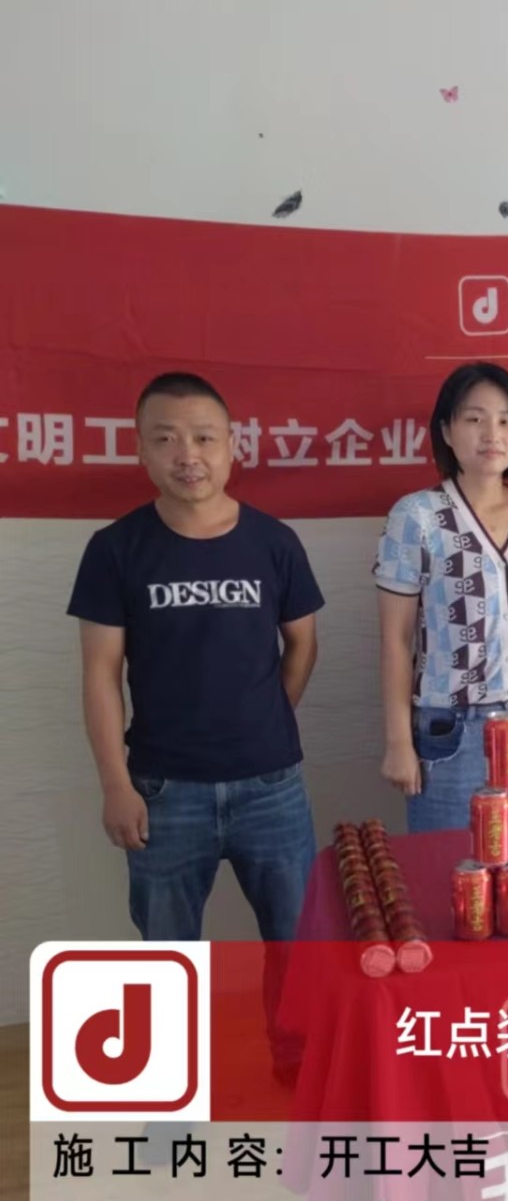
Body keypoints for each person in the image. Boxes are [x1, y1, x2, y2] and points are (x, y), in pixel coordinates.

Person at [67, 371, 323, 1069]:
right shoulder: (115, 549)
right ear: (141, 451)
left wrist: (267, 717)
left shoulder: (274, 542)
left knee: (296, 941)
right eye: (167, 439)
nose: (188, 455)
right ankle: (168, 1087)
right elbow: (100, 675)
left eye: (205, 438)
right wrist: (115, 784)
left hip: (272, 787)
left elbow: (302, 645)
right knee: (167, 954)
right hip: (162, 791)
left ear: (232, 445)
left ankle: (297, 1061)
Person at [375, 362, 508, 830]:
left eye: (506, 420)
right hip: (452, 731)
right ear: (446, 430)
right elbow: (395, 639)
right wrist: (399, 741)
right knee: (450, 867)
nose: (492, 434)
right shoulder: (417, 516)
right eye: (474, 419)